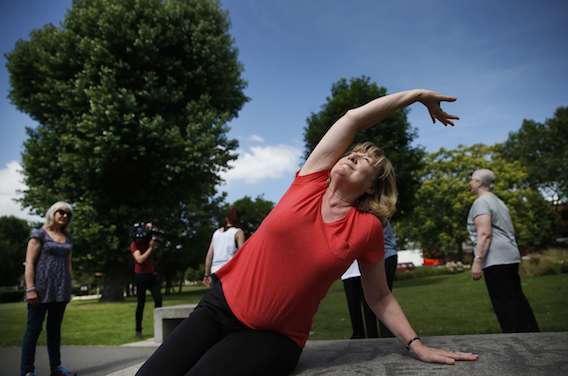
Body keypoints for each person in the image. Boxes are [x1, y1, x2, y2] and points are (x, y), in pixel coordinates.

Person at [136, 89, 478, 376]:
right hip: (219, 308)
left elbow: (379, 296)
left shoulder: (367, 228)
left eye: (364, 163)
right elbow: (353, 119)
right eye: (354, 153)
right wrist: (415, 96)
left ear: (372, 188)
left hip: (274, 337)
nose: (353, 157)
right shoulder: (310, 181)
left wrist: (416, 345)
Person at [467, 168, 540, 333]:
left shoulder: (481, 202)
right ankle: (532, 336)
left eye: (472, 180)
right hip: (510, 256)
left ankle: (515, 340)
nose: (470, 183)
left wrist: (477, 261)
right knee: (516, 299)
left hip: (495, 259)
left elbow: (484, 233)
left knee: (504, 304)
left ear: (479, 183)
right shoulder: (499, 202)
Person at [20, 201, 75, 376]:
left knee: (54, 331)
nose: (65, 215)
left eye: (68, 214)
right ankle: (27, 371)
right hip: (40, 290)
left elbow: (68, 264)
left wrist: (69, 286)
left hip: (61, 291)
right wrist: (30, 289)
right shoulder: (39, 234)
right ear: (52, 213)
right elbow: (29, 263)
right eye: (61, 212)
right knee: (33, 330)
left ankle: (56, 367)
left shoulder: (68, 238)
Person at [342, 221, 398, 339]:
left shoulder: (370, 215)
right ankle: (374, 336)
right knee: (373, 300)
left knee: (380, 299)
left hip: (384, 256)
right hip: (380, 256)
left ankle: (385, 335)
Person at [129, 222, 163, 337]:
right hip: (140, 276)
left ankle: (159, 327)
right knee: (141, 303)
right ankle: (138, 330)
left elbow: (157, 233)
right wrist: (150, 248)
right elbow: (139, 260)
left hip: (151, 275)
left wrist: (151, 227)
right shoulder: (134, 244)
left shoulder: (148, 238)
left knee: (158, 299)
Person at [202, 207, 245, 287]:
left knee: (217, 298)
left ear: (226, 218)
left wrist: (206, 275)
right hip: (229, 271)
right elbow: (242, 255)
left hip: (215, 271)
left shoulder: (216, 233)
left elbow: (209, 256)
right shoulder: (238, 232)